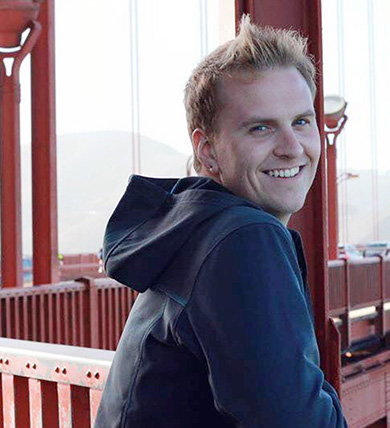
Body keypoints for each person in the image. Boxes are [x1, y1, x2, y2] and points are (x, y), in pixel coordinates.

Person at [94, 17, 347, 428]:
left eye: (301, 121)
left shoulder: (197, 233)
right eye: (260, 128)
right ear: (208, 151)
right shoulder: (244, 239)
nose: (291, 147)